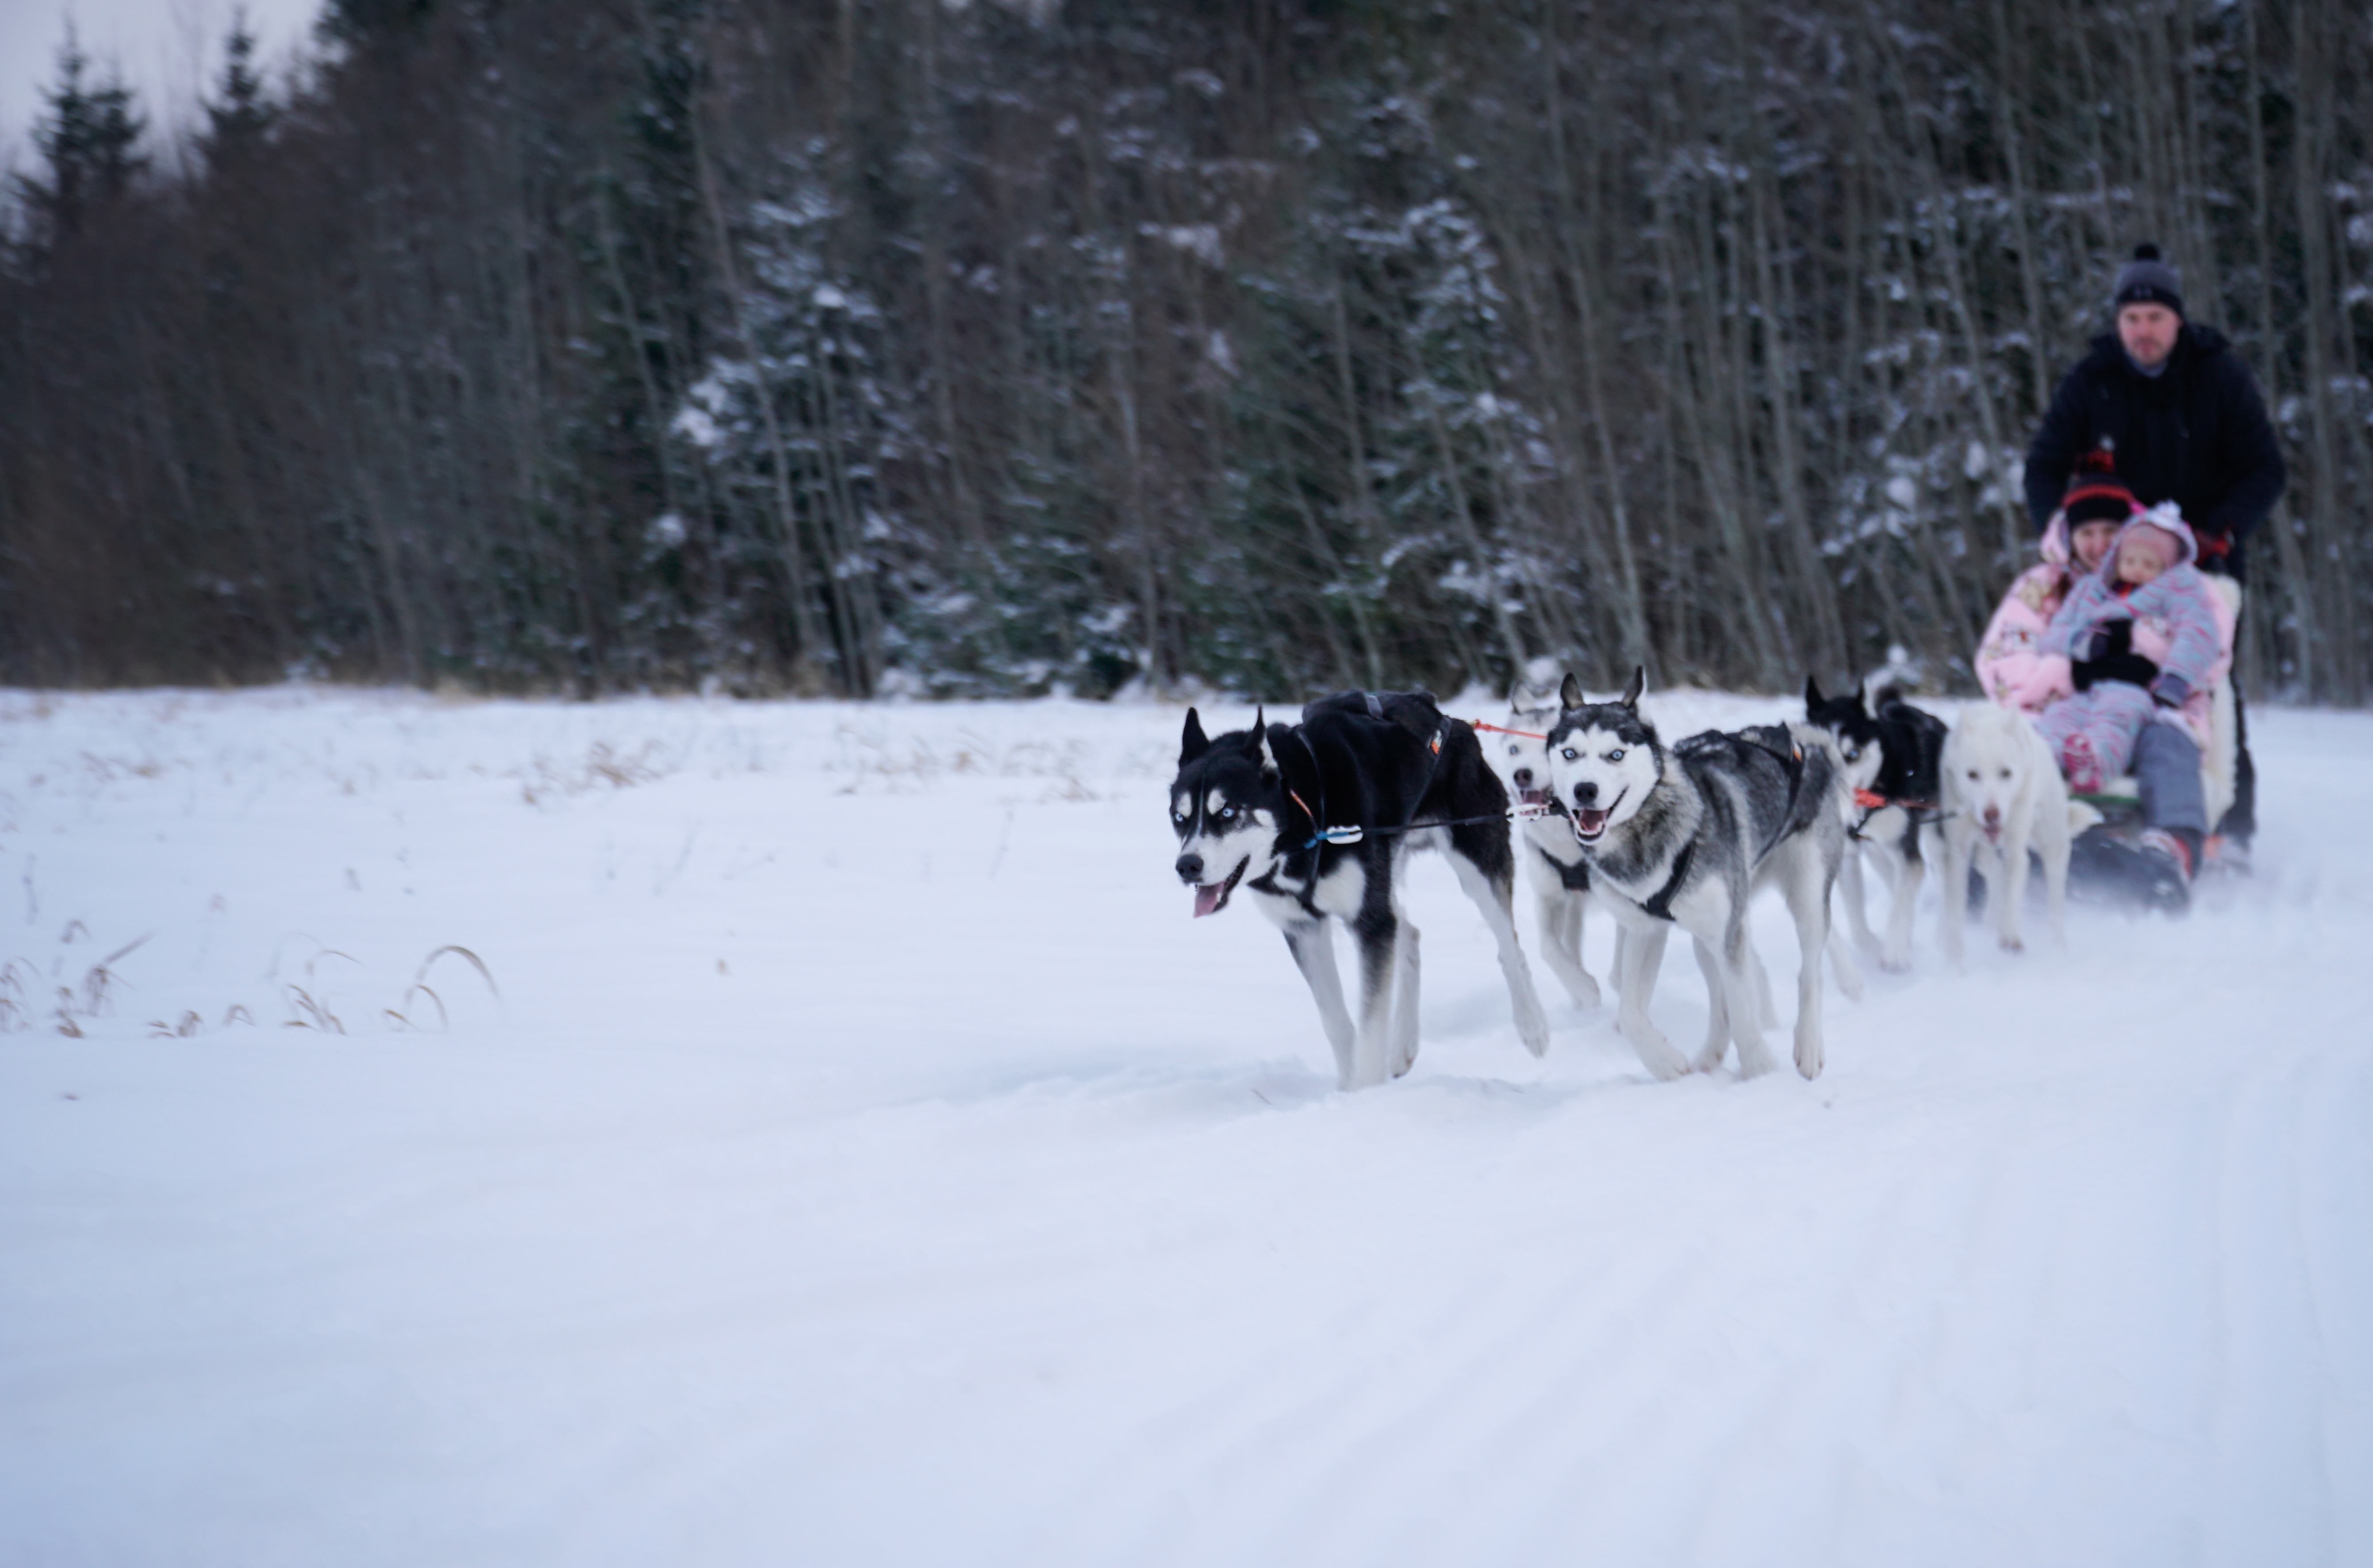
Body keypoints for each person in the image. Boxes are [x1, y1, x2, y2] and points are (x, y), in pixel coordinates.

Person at [2023, 242, 2284, 868]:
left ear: (2178, 320)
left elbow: (2264, 468)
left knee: (2205, 684)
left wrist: (2221, 532)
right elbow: (2043, 466)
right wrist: (2061, 537)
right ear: (2119, 323)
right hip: (2108, 566)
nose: (2144, 332)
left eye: (2156, 319)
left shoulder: (2219, 375)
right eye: (2132, 320)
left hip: (2204, 560)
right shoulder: (2093, 381)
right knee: (2087, 673)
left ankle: (2229, 822)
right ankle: (2077, 803)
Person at [2032, 505, 2229, 882]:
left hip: (2150, 693)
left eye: (2149, 563)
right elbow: (2056, 636)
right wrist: (2084, 643)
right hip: (2085, 688)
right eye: (2131, 559)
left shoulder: (2184, 591)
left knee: (2133, 725)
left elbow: (2200, 638)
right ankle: (2040, 784)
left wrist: (2172, 678)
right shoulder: (2094, 590)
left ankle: (2168, 849)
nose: (2137, 569)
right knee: (2055, 722)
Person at [1977, 451, 2135, 712]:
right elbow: (2004, 659)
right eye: (2087, 533)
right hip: (2051, 720)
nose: (2099, 545)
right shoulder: (2043, 586)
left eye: (2110, 531)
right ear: (2069, 537)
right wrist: (2073, 677)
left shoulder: (2155, 582)